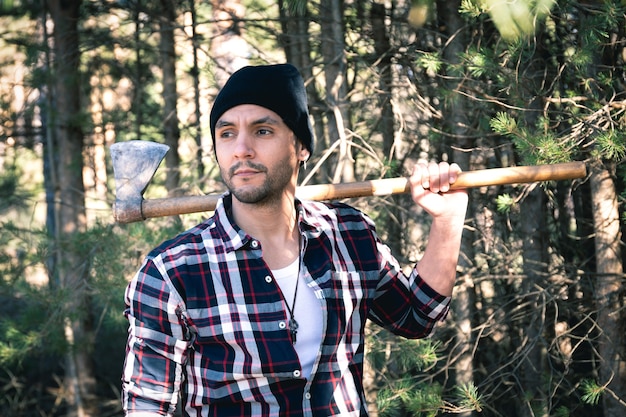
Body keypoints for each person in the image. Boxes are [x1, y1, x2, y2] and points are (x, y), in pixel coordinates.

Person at [121, 63, 468, 417]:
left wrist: (447, 220)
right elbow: (147, 405)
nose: (241, 149)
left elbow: (415, 315)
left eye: (262, 130)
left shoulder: (348, 236)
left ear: (300, 146)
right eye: (226, 133)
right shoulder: (172, 272)